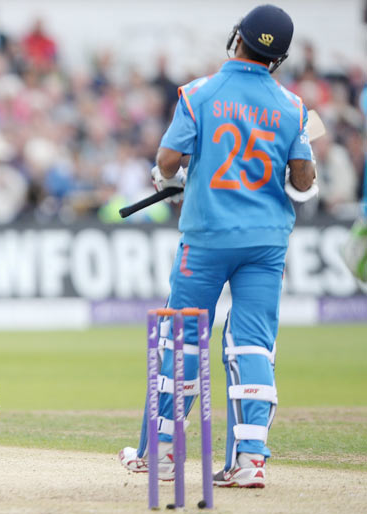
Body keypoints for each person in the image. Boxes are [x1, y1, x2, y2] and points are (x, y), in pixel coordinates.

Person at [119, 5, 316, 488]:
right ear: (280, 56)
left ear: (237, 39)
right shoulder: (292, 106)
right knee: (252, 345)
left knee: (182, 338)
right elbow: (303, 180)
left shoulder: (198, 94)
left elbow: (167, 161)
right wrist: (304, 143)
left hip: (207, 237)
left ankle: (163, 455)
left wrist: (172, 174)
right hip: (266, 242)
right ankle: (250, 460)